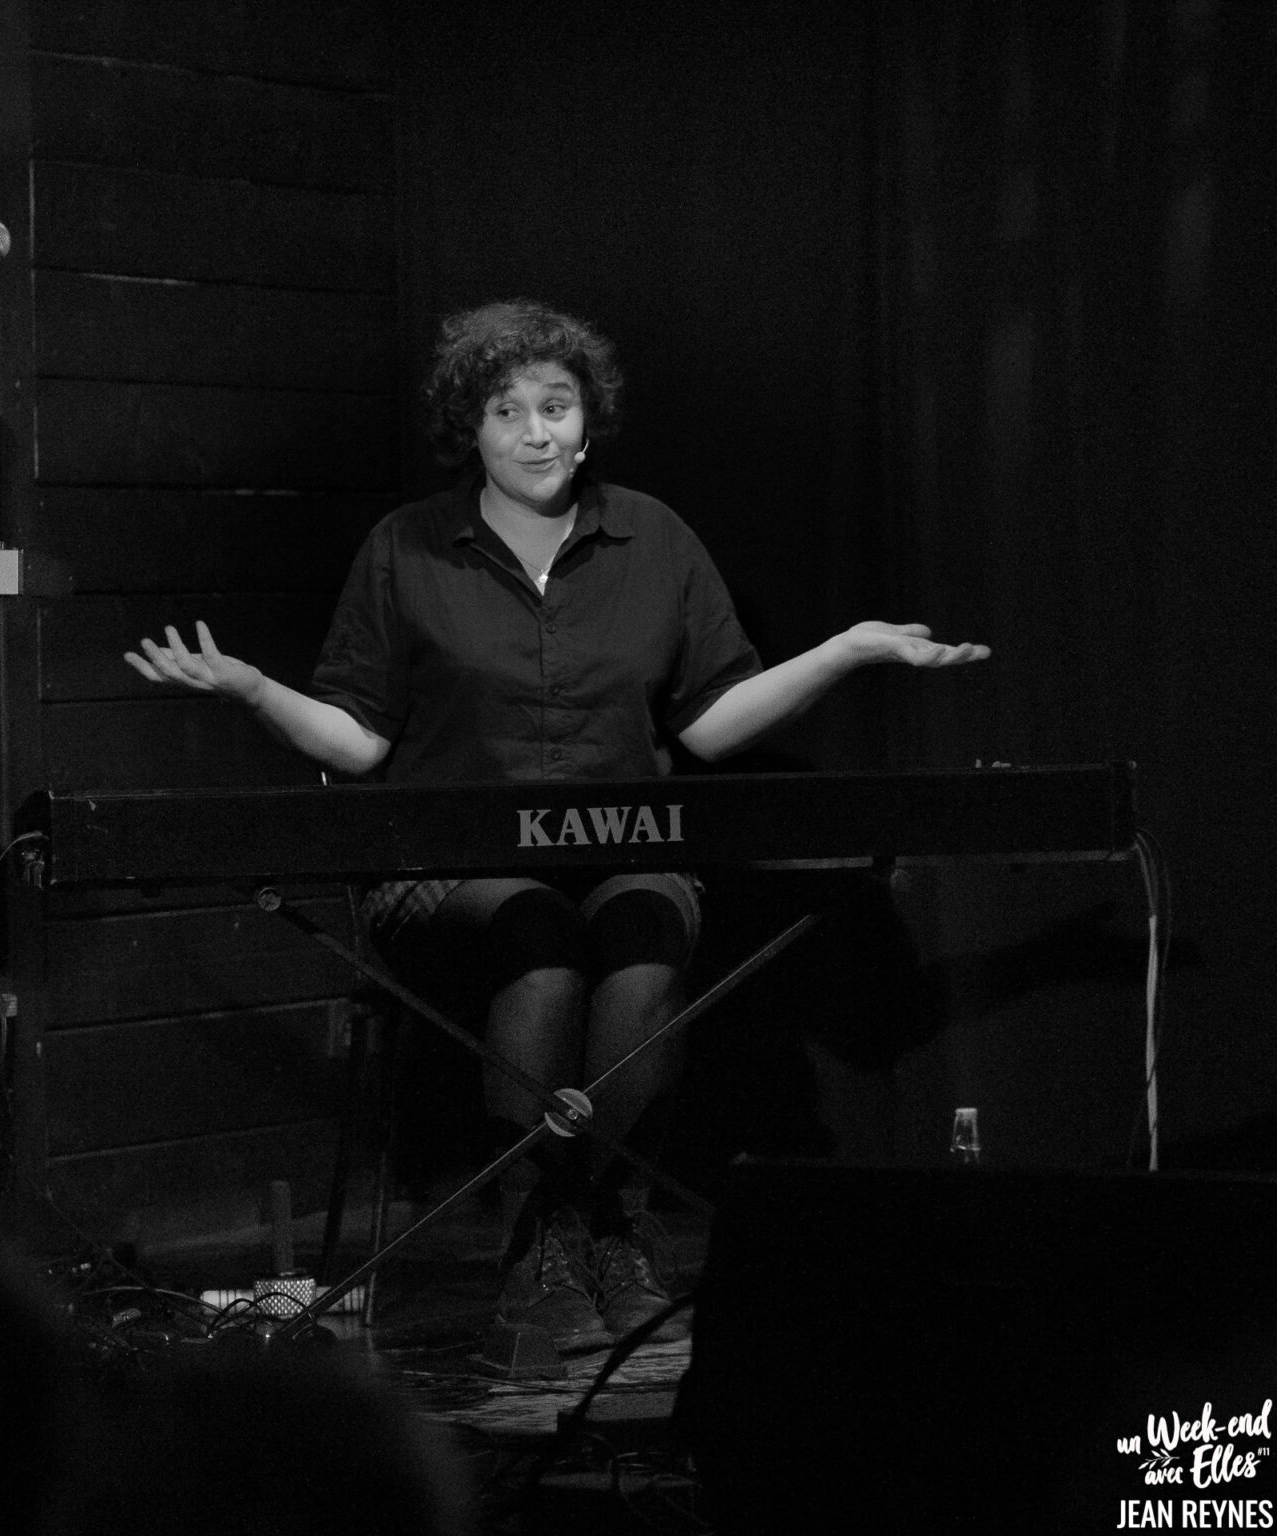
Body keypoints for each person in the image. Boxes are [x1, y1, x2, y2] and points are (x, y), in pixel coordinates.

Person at [125, 299, 989, 1352]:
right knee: (540, 941)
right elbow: (356, 742)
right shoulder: (406, 548)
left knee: (644, 933)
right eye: (507, 411)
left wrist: (846, 649)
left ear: (587, 423)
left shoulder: (654, 538)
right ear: (473, 429)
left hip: (626, 859)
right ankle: (538, 1243)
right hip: (450, 875)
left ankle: (613, 1229)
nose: (535, 432)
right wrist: (252, 687)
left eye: (555, 406)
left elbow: (712, 724)